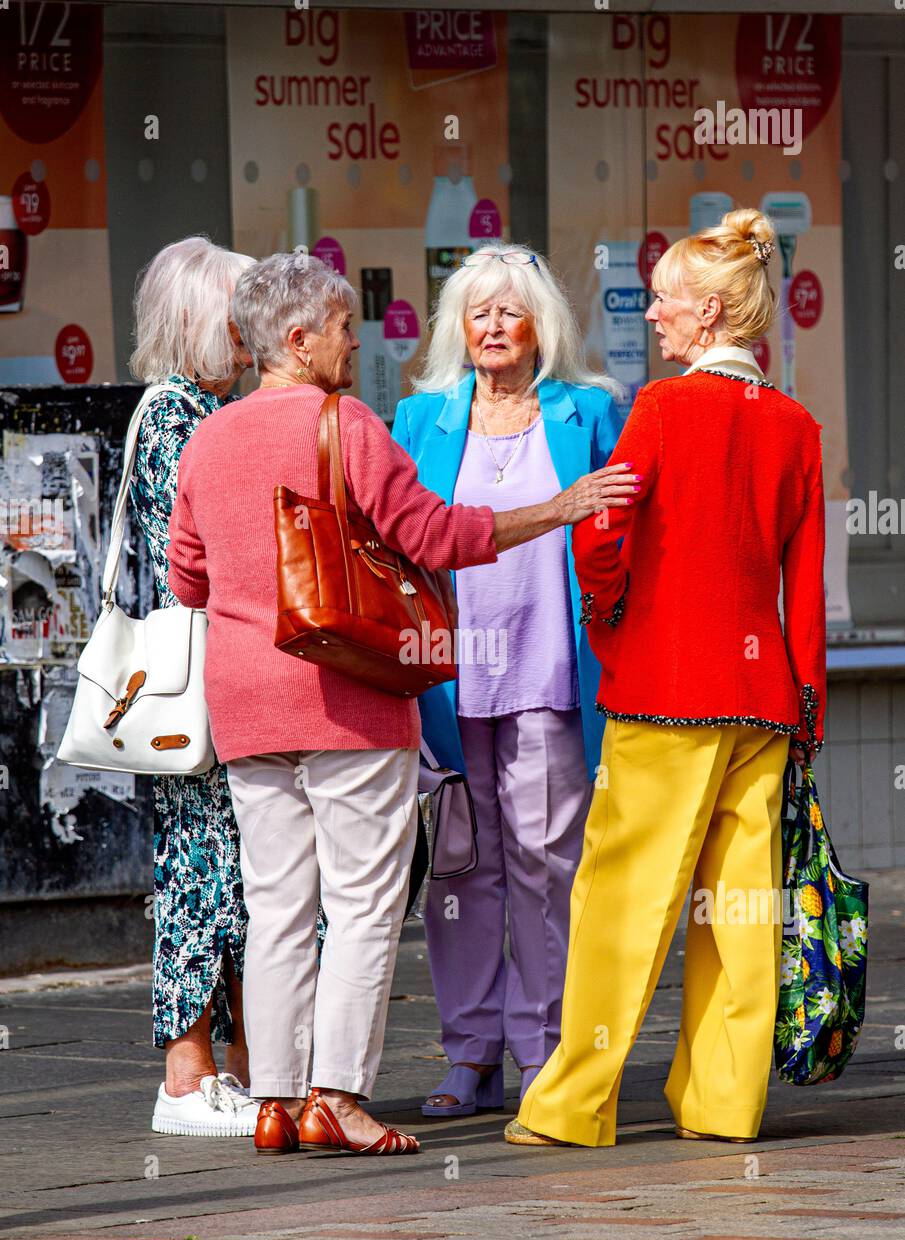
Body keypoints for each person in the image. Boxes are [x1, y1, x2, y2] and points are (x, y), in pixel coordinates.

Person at [164, 251, 633, 1156]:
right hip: (348, 701)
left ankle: (274, 1100)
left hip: (248, 711)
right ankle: (335, 1095)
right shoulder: (350, 425)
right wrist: (555, 508)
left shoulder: (209, 438)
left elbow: (187, 578)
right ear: (298, 343)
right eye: (343, 328)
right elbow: (431, 534)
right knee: (365, 904)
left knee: (276, 909)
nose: (356, 342)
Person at [506, 209, 826, 1148]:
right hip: (761, 701)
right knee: (737, 911)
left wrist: (610, 620)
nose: (650, 315)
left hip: (663, 687)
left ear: (713, 314)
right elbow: (800, 592)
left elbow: (603, 529)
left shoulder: (660, 410)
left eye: (665, 301)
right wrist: (803, 702)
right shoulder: (797, 427)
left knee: (621, 899)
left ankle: (572, 1106)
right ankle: (725, 1106)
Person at [392, 245, 629, 1118]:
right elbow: (393, 541)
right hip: (448, 684)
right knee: (460, 870)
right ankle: (469, 1054)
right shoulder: (418, 420)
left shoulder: (590, 413)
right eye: (477, 311)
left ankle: (542, 1051)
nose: (492, 327)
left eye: (510, 312)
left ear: (541, 327)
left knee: (543, 866)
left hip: (550, 672)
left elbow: (623, 542)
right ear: (458, 326)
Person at [130, 236, 261, 1137]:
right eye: (238, 316)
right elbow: (202, 557)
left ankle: (237, 1068)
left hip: (219, 679)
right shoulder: (175, 414)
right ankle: (187, 1076)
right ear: (197, 322)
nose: (253, 333)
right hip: (193, 685)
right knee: (198, 872)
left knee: (232, 871)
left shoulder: (204, 411)